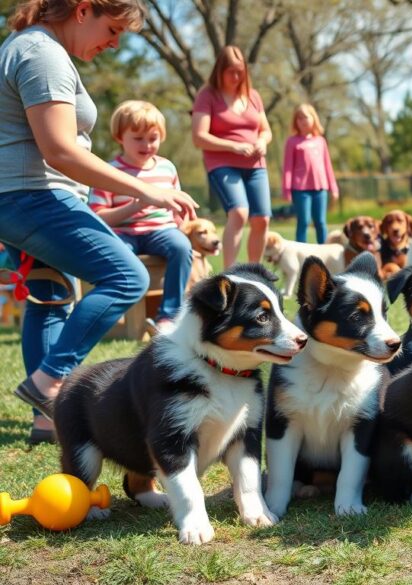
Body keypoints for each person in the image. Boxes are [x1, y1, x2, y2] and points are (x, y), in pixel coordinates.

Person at [0, 0, 197, 443]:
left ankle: (47, 422)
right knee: (126, 276)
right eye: (112, 29)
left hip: (22, 197)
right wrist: (145, 189)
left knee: (50, 294)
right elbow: (62, 150)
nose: (114, 43)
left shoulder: (30, 46)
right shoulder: (42, 54)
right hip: (34, 196)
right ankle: (50, 382)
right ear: (83, 10)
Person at [88, 100, 193, 335]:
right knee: (117, 257)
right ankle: (112, 317)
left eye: (153, 138)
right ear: (119, 137)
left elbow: (176, 209)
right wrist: (135, 206)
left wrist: (181, 223)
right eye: (138, 138)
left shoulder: (166, 168)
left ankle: (169, 317)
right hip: (123, 233)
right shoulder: (110, 171)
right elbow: (99, 217)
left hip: (161, 231)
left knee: (181, 247)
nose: (147, 145)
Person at [191, 45, 273, 267]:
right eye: (231, 72)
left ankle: (254, 272)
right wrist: (233, 146)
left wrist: (262, 141)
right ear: (220, 71)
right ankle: (230, 274)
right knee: (239, 212)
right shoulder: (207, 95)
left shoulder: (253, 96)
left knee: (262, 219)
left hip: (256, 164)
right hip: (223, 163)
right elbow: (199, 137)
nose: (236, 77)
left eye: (241, 71)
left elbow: (266, 130)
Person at [282, 103, 338, 244]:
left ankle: (324, 251)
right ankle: (302, 254)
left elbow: (327, 166)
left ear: (313, 118)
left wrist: (333, 188)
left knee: (320, 222)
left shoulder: (320, 141)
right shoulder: (292, 142)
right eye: (299, 118)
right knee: (304, 221)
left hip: (320, 188)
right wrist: (287, 189)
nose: (302, 121)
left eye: (305, 117)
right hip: (300, 189)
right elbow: (288, 167)